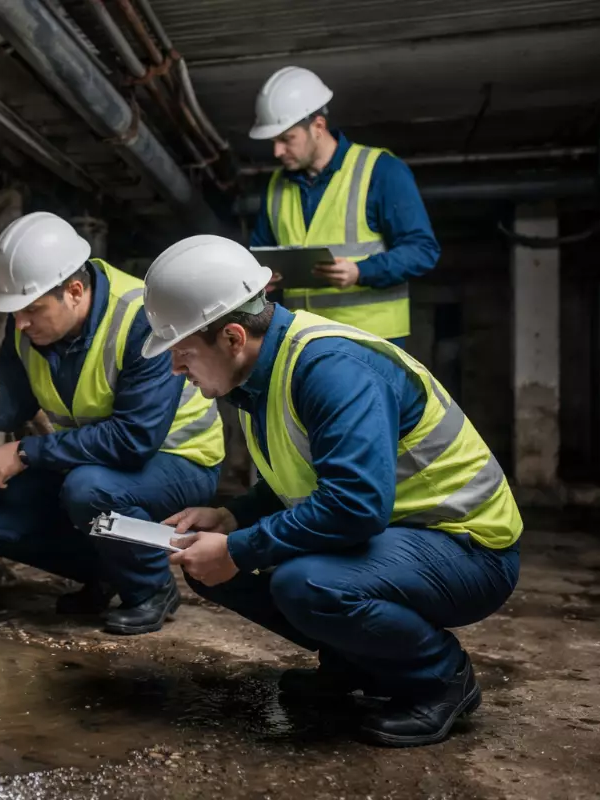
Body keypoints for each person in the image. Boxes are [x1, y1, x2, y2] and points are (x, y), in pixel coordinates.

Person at [141, 235, 522, 747]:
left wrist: (237, 547)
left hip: (467, 548)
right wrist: (230, 520)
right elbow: (303, 479)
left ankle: (442, 679)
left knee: (306, 582)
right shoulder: (258, 376)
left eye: (182, 353)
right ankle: (356, 662)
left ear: (232, 337)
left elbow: (354, 506)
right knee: (210, 568)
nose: (175, 370)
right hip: (399, 537)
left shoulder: (330, 370)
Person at [0, 211, 227, 635]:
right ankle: (110, 572)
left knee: (87, 490)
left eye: (31, 309)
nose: (21, 323)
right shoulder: (27, 328)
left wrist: (28, 451)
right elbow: (13, 406)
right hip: (92, 462)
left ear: (73, 291)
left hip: (178, 461)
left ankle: (151, 589)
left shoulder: (141, 318)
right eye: (15, 312)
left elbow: (133, 440)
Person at [249, 66, 440, 347]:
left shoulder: (381, 170)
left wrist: (361, 272)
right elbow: (259, 255)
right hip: (302, 340)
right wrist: (263, 278)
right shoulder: (277, 184)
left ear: (317, 127)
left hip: (371, 342)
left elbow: (423, 250)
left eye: (286, 139)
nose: (277, 152)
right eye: (273, 142)